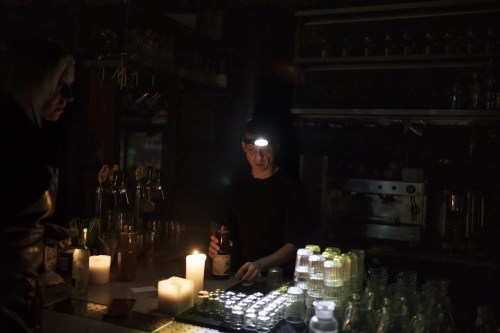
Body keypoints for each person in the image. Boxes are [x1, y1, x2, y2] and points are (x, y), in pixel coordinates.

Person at [0, 35, 75, 332]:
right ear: (35, 81)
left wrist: (35, 232)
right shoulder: (9, 141)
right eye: (61, 85)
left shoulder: (24, 136)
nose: (69, 97)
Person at [208, 117, 313, 285]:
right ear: (243, 147)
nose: (258, 157)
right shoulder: (235, 184)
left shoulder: (292, 188)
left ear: (276, 147)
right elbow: (218, 221)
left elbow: (295, 243)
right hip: (236, 276)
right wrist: (215, 239)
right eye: (251, 149)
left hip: (276, 279)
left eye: (265, 150)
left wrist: (260, 265)